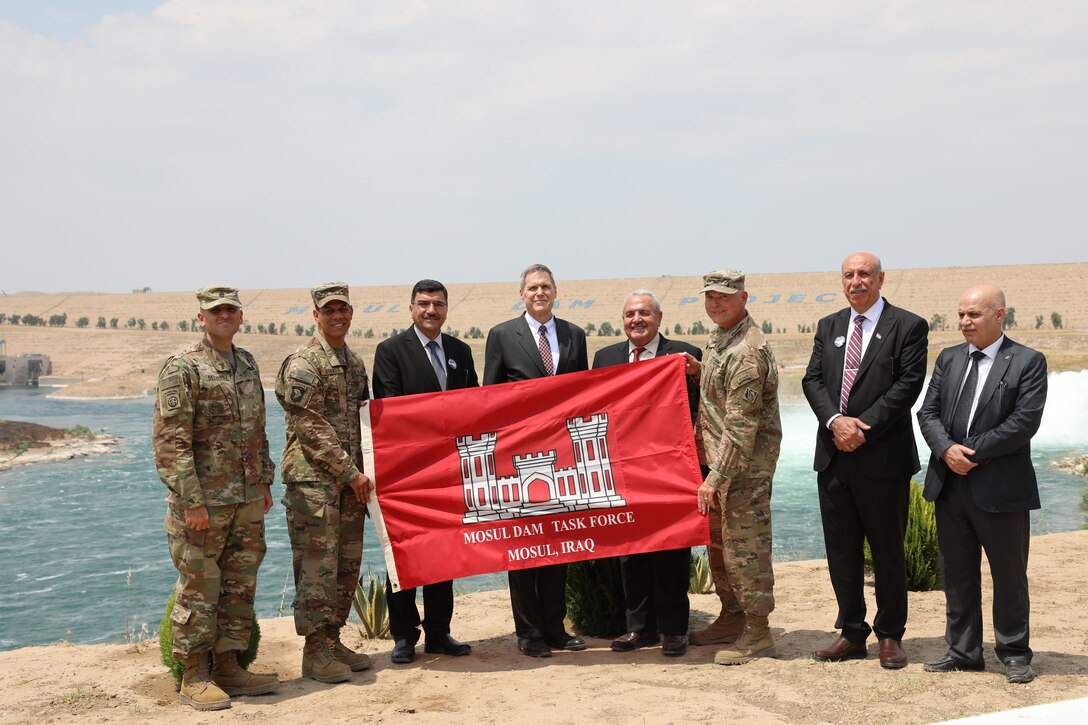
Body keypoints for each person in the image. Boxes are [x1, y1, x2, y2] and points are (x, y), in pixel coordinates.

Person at [153, 286, 278, 711]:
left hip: (245, 500)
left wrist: (264, 482)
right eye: (215, 310)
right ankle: (193, 676)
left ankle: (228, 667)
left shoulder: (246, 362)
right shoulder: (183, 368)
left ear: (241, 317)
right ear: (201, 318)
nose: (224, 315)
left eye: (231, 309)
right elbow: (172, 442)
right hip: (203, 505)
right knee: (200, 589)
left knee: (239, 588)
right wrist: (191, 501)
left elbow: (257, 429)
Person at [801, 252, 928, 669]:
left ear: (880, 279)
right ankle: (852, 632)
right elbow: (812, 379)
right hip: (834, 457)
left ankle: (890, 633)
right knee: (841, 551)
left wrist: (862, 427)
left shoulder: (908, 326)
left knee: (887, 549)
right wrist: (836, 422)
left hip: (882, 458)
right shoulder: (830, 326)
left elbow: (907, 386)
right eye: (849, 274)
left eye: (864, 274)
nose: (856, 281)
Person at [917, 285, 1047, 684]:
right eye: (961, 315)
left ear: (999, 315)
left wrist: (965, 452)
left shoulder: (1027, 361)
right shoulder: (949, 358)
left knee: (1009, 576)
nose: (964, 322)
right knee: (956, 575)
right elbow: (928, 412)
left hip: (1002, 489)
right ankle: (964, 650)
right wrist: (945, 450)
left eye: (973, 314)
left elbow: (1023, 423)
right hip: (950, 486)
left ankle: (1013, 653)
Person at [483, 263, 589, 658]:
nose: (539, 292)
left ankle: (555, 628)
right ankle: (528, 633)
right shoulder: (501, 336)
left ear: (556, 291)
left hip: (563, 457)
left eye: (546, 286)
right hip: (517, 456)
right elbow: (489, 398)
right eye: (532, 287)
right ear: (522, 293)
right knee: (524, 548)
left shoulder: (574, 335)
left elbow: (585, 395)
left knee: (559, 544)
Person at [373, 279, 479, 664]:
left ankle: (439, 632)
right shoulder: (390, 351)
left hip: (451, 470)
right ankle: (404, 636)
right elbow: (391, 409)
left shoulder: (461, 351)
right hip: (408, 473)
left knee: (444, 551)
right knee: (403, 552)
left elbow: (474, 404)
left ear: (447, 308)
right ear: (411, 308)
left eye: (437, 304)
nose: (430, 310)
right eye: (423, 304)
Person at [594, 290, 701, 657]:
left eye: (644, 313)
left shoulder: (683, 355)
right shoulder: (604, 358)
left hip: (671, 470)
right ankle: (639, 629)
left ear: (659, 317)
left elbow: (701, 409)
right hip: (624, 469)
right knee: (631, 551)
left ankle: (674, 630)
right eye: (629, 314)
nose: (636, 319)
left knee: (671, 550)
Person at [276, 282, 374, 684]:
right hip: (313, 485)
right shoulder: (303, 363)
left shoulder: (353, 363)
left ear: (350, 313)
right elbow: (310, 428)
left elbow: (366, 424)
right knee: (317, 570)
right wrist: (353, 474)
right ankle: (314, 653)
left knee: (345, 567)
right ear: (315, 315)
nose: (337, 316)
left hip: (351, 487)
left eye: (343, 309)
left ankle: (331, 641)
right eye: (328, 310)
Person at [693, 268, 782, 665]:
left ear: (743, 298)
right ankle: (732, 615)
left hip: (743, 470)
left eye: (724, 297)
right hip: (719, 465)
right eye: (710, 297)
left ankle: (759, 632)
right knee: (719, 545)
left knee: (746, 548)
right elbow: (717, 394)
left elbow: (741, 428)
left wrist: (715, 478)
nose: (716, 303)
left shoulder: (746, 350)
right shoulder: (720, 339)